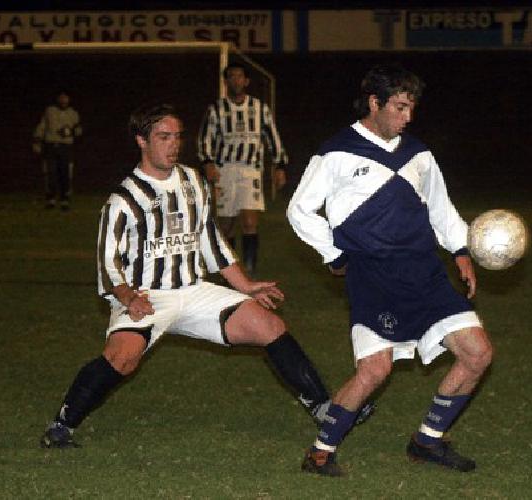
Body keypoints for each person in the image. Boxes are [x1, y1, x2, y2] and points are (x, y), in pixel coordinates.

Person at [39, 102, 371, 449]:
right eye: (163, 137)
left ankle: (321, 406)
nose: (173, 144)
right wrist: (128, 298)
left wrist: (245, 285)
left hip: (194, 290)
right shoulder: (123, 199)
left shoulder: (192, 181)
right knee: (122, 358)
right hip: (147, 295)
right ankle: (62, 425)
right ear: (141, 141)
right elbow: (108, 263)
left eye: (177, 137)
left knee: (268, 326)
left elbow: (209, 240)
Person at [286, 65, 495, 476]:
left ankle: (427, 441)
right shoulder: (337, 152)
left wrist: (460, 250)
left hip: (425, 272)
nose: (407, 117)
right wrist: (334, 254)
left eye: (411, 108)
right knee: (375, 369)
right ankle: (319, 452)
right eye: (399, 107)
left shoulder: (418, 154)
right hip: (374, 275)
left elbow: (440, 207)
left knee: (478, 353)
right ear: (374, 103)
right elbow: (299, 210)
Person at [197, 63, 289, 273]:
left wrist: (280, 165)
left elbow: (273, 138)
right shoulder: (216, 109)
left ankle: (249, 270)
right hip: (225, 170)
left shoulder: (260, 108)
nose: (236, 80)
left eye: (240, 76)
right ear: (226, 81)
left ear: (246, 81)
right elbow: (205, 139)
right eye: (231, 77)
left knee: (249, 222)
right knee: (227, 224)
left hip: (250, 170)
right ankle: (229, 272)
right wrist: (207, 163)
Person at [32, 91, 82, 211]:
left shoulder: (73, 113)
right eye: (61, 98)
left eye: (66, 98)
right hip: (51, 145)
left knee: (65, 173)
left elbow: (79, 130)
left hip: (66, 147)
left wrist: (70, 131)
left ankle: (65, 199)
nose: (63, 101)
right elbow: (42, 126)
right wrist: (37, 141)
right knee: (50, 172)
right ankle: (51, 199)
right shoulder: (50, 111)